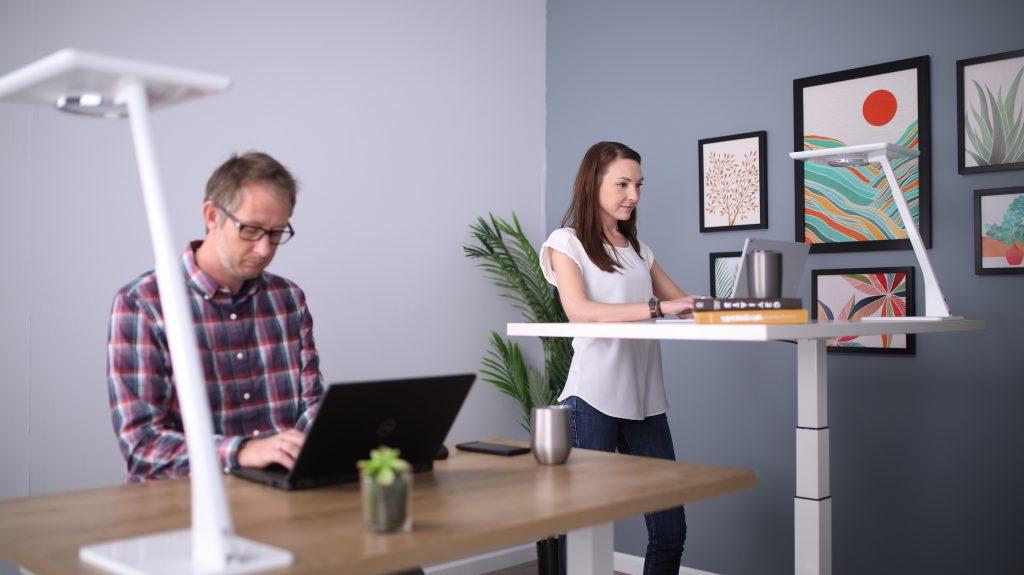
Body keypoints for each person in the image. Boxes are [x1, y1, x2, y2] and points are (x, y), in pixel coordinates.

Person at [107, 151, 323, 483]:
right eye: (251, 230)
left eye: (276, 233)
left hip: (281, 498)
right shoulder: (143, 304)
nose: (265, 249)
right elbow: (142, 447)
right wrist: (242, 451)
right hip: (184, 506)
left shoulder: (288, 299)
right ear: (212, 216)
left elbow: (310, 408)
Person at [540, 141, 695, 574]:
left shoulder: (637, 249)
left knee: (670, 530)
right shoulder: (565, 243)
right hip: (592, 399)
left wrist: (743, 305)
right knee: (586, 528)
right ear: (594, 184)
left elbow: (682, 303)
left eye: (639, 185)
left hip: (646, 402)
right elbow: (581, 311)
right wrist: (656, 309)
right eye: (623, 184)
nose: (635, 195)